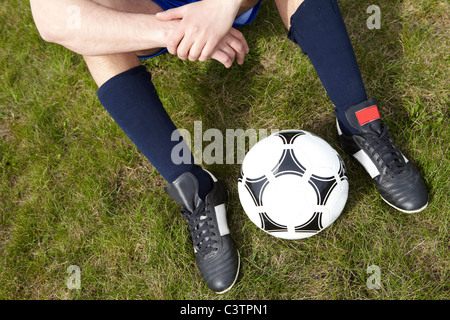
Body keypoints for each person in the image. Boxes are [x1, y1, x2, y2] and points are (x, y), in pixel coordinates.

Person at [29, 0, 428, 294]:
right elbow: (51, 19)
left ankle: (360, 124)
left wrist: (220, 8)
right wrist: (174, 32)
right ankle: (193, 186)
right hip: (147, 14)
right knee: (90, 35)